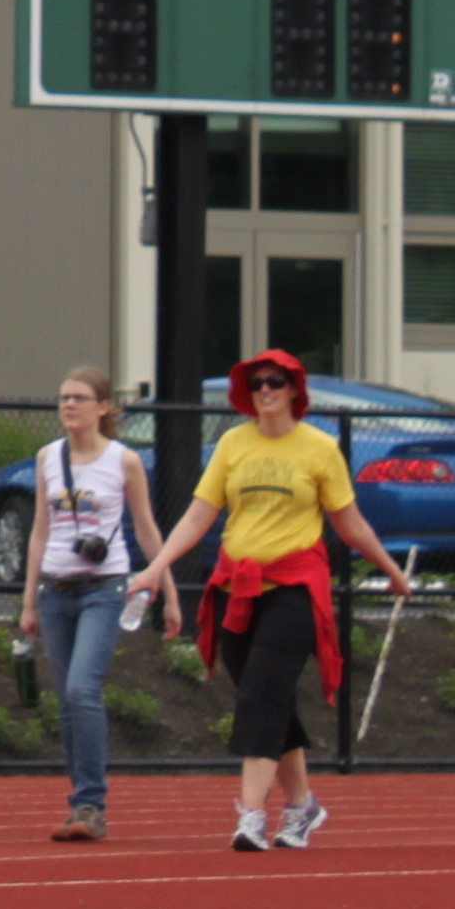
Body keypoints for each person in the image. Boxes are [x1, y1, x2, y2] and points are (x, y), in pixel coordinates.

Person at [129, 350, 407, 854]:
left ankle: (251, 814)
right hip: (238, 587)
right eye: (256, 382)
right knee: (265, 697)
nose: (264, 390)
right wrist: (155, 568)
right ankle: (302, 805)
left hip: (296, 586)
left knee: (260, 694)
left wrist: (390, 570)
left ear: (294, 389)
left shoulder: (319, 449)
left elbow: (350, 524)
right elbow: (197, 516)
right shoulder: (233, 443)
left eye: (274, 381)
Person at [14, 366, 160, 841]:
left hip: (104, 588)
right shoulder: (48, 458)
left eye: (79, 397)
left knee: (81, 689)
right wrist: (29, 601)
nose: (68, 405)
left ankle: (91, 803)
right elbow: (40, 531)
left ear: (103, 407)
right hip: (56, 589)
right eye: (63, 397)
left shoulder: (124, 461)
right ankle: (81, 804)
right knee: (65, 702)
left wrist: (166, 590)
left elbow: (145, 528)